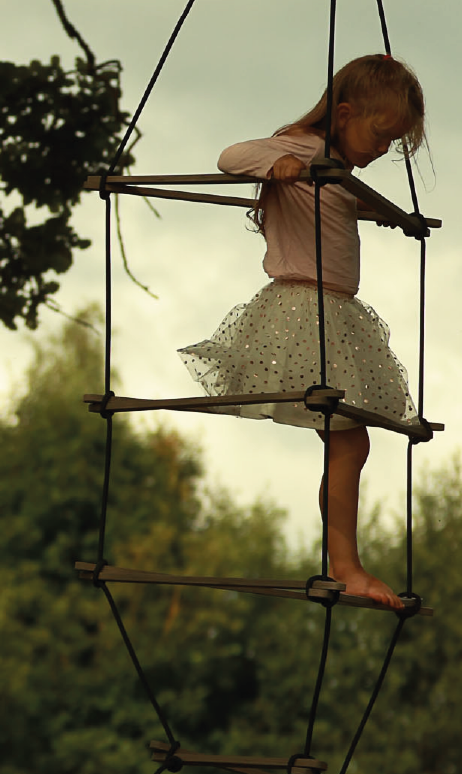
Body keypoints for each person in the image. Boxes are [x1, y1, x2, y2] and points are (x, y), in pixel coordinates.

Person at [178, 54, 426, 609]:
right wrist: (277, 165)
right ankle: (347, 567)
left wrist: (378, 210)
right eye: (381, 135)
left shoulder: (335, 170)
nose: (384, 150)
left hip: (332, 313)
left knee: (349, 441)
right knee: (350, 439)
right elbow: (229, 157)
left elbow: (333, 201)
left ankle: (346, 564)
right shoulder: (307, 150)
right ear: (343, 113)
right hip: (304, 312)